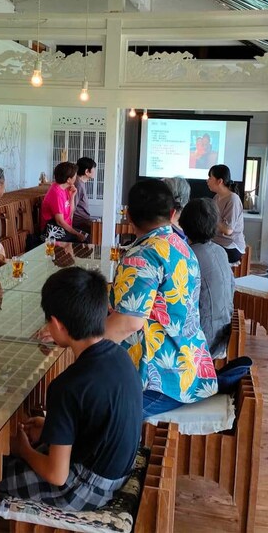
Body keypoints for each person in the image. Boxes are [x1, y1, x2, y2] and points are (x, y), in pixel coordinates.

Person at [0, 267, 142, 510]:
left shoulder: (67, 386)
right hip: (117, 471)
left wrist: (24, 451)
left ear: (57, 324)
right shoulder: (121, 356)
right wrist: (49, 428)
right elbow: (94, 420)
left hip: (86, 488)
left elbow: (57, 476)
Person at [106, 179, 218, 418]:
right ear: (172, 214)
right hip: (191, 371)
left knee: (86, 409)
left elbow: (128, 323)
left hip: (159, 382)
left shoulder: (143, 256)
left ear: (128, 216)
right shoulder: (182, 247)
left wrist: (78, 340)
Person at [179, 198, 235, 358]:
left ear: (184, 225)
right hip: (223, 333)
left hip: (204, 342)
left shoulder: (188, 256)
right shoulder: (220, 251)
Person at [207, 164, 246, 264]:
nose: (207, 181)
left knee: (203, 254)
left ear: (219, 181)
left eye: (210, 178)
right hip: (217, 241)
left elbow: (228, 230)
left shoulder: (233, 199)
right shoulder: (217, 197)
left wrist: (211, 217)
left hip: (231, 246)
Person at [40, 162, 87, 243]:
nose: (76, 178)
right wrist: (76, 234)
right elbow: (60, 222)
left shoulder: (65, 188)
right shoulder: (56, 193)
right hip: (54, 231)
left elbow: (70, 212)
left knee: (87, 238)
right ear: (68, 180)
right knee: (84, 241)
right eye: (75, 176)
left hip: (64, 228)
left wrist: (72, 196)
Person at [73, 157, 97, 234]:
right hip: (79, 222)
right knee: (104, 231)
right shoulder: (78, 184)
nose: (95, 171)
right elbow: (72, 207)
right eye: (93, 169)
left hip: (84, 220)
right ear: (87, 171)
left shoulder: (80, 183)